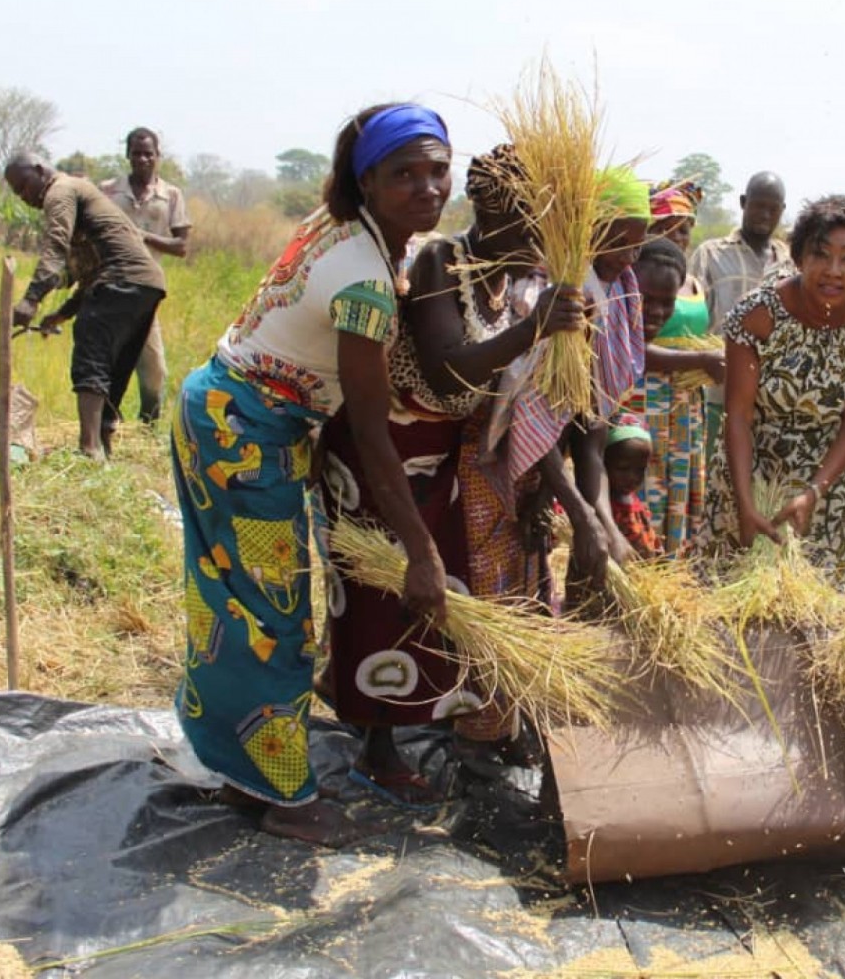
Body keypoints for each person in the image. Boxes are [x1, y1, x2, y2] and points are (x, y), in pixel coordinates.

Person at [170, 103, 453, 846]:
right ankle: (284, 795)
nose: (427, 188)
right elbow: (367, 424)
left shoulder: (349, 227)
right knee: (272, 613)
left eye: (437, 171)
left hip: (229, 412)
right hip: (244, 433)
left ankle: (241, 767)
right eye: (404, 175)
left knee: (234, 598)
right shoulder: (361, 277)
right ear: (368, 181)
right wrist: (422, 553)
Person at [317, 143, 592, 801]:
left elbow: (504, 391)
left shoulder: (510, 279)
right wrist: (534, 331)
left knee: (445, 591)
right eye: (532, 223)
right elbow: (447, 366)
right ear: (495, 213)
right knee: (384, 598)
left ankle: (436, 716)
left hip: (444, 449)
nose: (538, 239)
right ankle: (376, 747)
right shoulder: (445, 259)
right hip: (382, 446)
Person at [696, 195, 845, 589]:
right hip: (750, 471)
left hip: (828, 482)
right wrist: (744, 503)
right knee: (728, 596)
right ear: (799, 256)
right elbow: (737, 415)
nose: (833, 271)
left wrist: (813, 492)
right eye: (820, 255)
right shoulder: (757, 315)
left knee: (810, 612)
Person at [500, 166, 649, 596]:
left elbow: (588, 423)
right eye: (621, 241)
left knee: (537, 579)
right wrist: (581, 514)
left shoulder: (617, 288)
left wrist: (595, 519)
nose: (628, 257)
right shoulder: (557, 291)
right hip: (510, 458)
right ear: (592, 226)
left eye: (637, 247)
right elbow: (533, 408)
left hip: (550, 469)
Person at [6, 153, 165, 459]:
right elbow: (92, 272)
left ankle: (89, 449)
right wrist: (62, 313)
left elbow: (56, 246)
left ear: (40, 171)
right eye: (17, 193)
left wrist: (30, 299)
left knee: (91, 357)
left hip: (121, 279)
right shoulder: (78, 191)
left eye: (24, 186)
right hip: (146, 284)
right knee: (114, 366)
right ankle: (103, 444)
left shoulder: (60, 190)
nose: (24, 197)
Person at [627, 233, 723, 554]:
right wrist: (700, 360)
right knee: (639, 481)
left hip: (682, 407)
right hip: (639, 404)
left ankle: (670, 563)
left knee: (676, 484)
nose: (656, 311)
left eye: (667, 303)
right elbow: (635, 351)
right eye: (647, 299)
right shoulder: (613, 315)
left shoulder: (693, 285)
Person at [687, 171, 789, 453]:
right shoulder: (711, 255)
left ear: (782, 211)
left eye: (773, 208)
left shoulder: (790, 264)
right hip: (718, 392)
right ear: (744, 203)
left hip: (772, 401)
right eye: (759, 205)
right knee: (712, 475)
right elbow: (690, 320)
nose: (765, 214)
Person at [101, 127, 192, 426]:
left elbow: (181, 246)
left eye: (148, 154)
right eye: (137, 153)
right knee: (107, 361)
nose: (142, 159)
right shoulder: (109, 191)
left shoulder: (170, 196)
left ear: (158, 156)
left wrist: (141, 236)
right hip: (109, 286)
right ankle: (106, 423)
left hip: (145, 290)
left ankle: (149, 425)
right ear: (127, 154)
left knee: (154, 369)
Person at [604, 420, 662, 558]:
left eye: (640, 470)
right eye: (623, 469)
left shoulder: (636, 504)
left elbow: (649, 540)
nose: (633, 477)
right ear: (603, 463)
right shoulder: (604, 507)